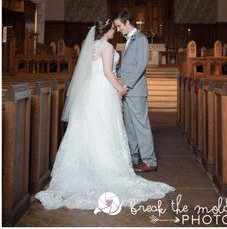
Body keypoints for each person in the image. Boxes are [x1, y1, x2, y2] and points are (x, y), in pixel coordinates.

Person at [35, 18, 175, 210]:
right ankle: (106, 165)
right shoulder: (107, 47)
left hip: (90, 91)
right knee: (105, 126)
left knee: (88, 126)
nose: (115, 31)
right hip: (103, 89)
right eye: (113, 28)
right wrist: (120, 89)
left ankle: (83, 165)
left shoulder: (90, 45)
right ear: (106, 30)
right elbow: (108, 73)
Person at [114, 11, 157, 173]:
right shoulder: (129, 40)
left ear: (126, 23)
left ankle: (150, 161)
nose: (117, 29)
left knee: (141, 126)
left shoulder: (141, 39)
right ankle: (134, 158)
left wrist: (127, 86)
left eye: (119, 26)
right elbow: (128, 67)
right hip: (127, 90)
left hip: (135, 90)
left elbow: (140, 66)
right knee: (130, 126)